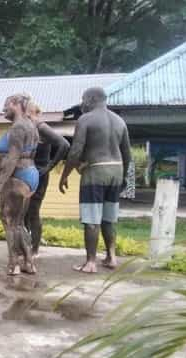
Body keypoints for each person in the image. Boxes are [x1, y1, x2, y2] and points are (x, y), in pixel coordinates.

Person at [59, 87, 131, 273]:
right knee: (109, 218)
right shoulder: (120, 121)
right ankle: (111, 257)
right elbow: (127, 154)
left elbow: (75, 150)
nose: (82, 104)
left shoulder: (86, 119)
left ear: (91, 99)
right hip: (116, 169)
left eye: (83, 99)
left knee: (91, 218)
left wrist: (65, 174)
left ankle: (91, 262)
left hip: (96, 171)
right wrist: (123, 177)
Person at [0, 94, 40, 275]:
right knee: (18, 223)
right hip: (29, 174)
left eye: (6, 105)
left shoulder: (19, 126)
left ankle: (14, 263)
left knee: (10, 221)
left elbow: (12, 158)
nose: (4, 109)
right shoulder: (31, 125)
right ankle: (28, 262)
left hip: (17, 176)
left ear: (16, 104)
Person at [25, 102, 70, 256]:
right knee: (24, 211)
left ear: (31, 112)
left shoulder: (41, 126)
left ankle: (35, 249)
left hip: (39, 174)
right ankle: (25, 245)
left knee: (33, 211)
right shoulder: (28, 127)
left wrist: (49, 166)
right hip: (28, 173)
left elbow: (64, 144)